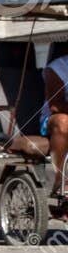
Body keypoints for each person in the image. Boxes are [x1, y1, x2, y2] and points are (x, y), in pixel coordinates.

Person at [40, 52, 68, 194]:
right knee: (63, 121)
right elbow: (56, 105)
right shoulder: (57, 68)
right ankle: (61, 180)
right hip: (54, 118)